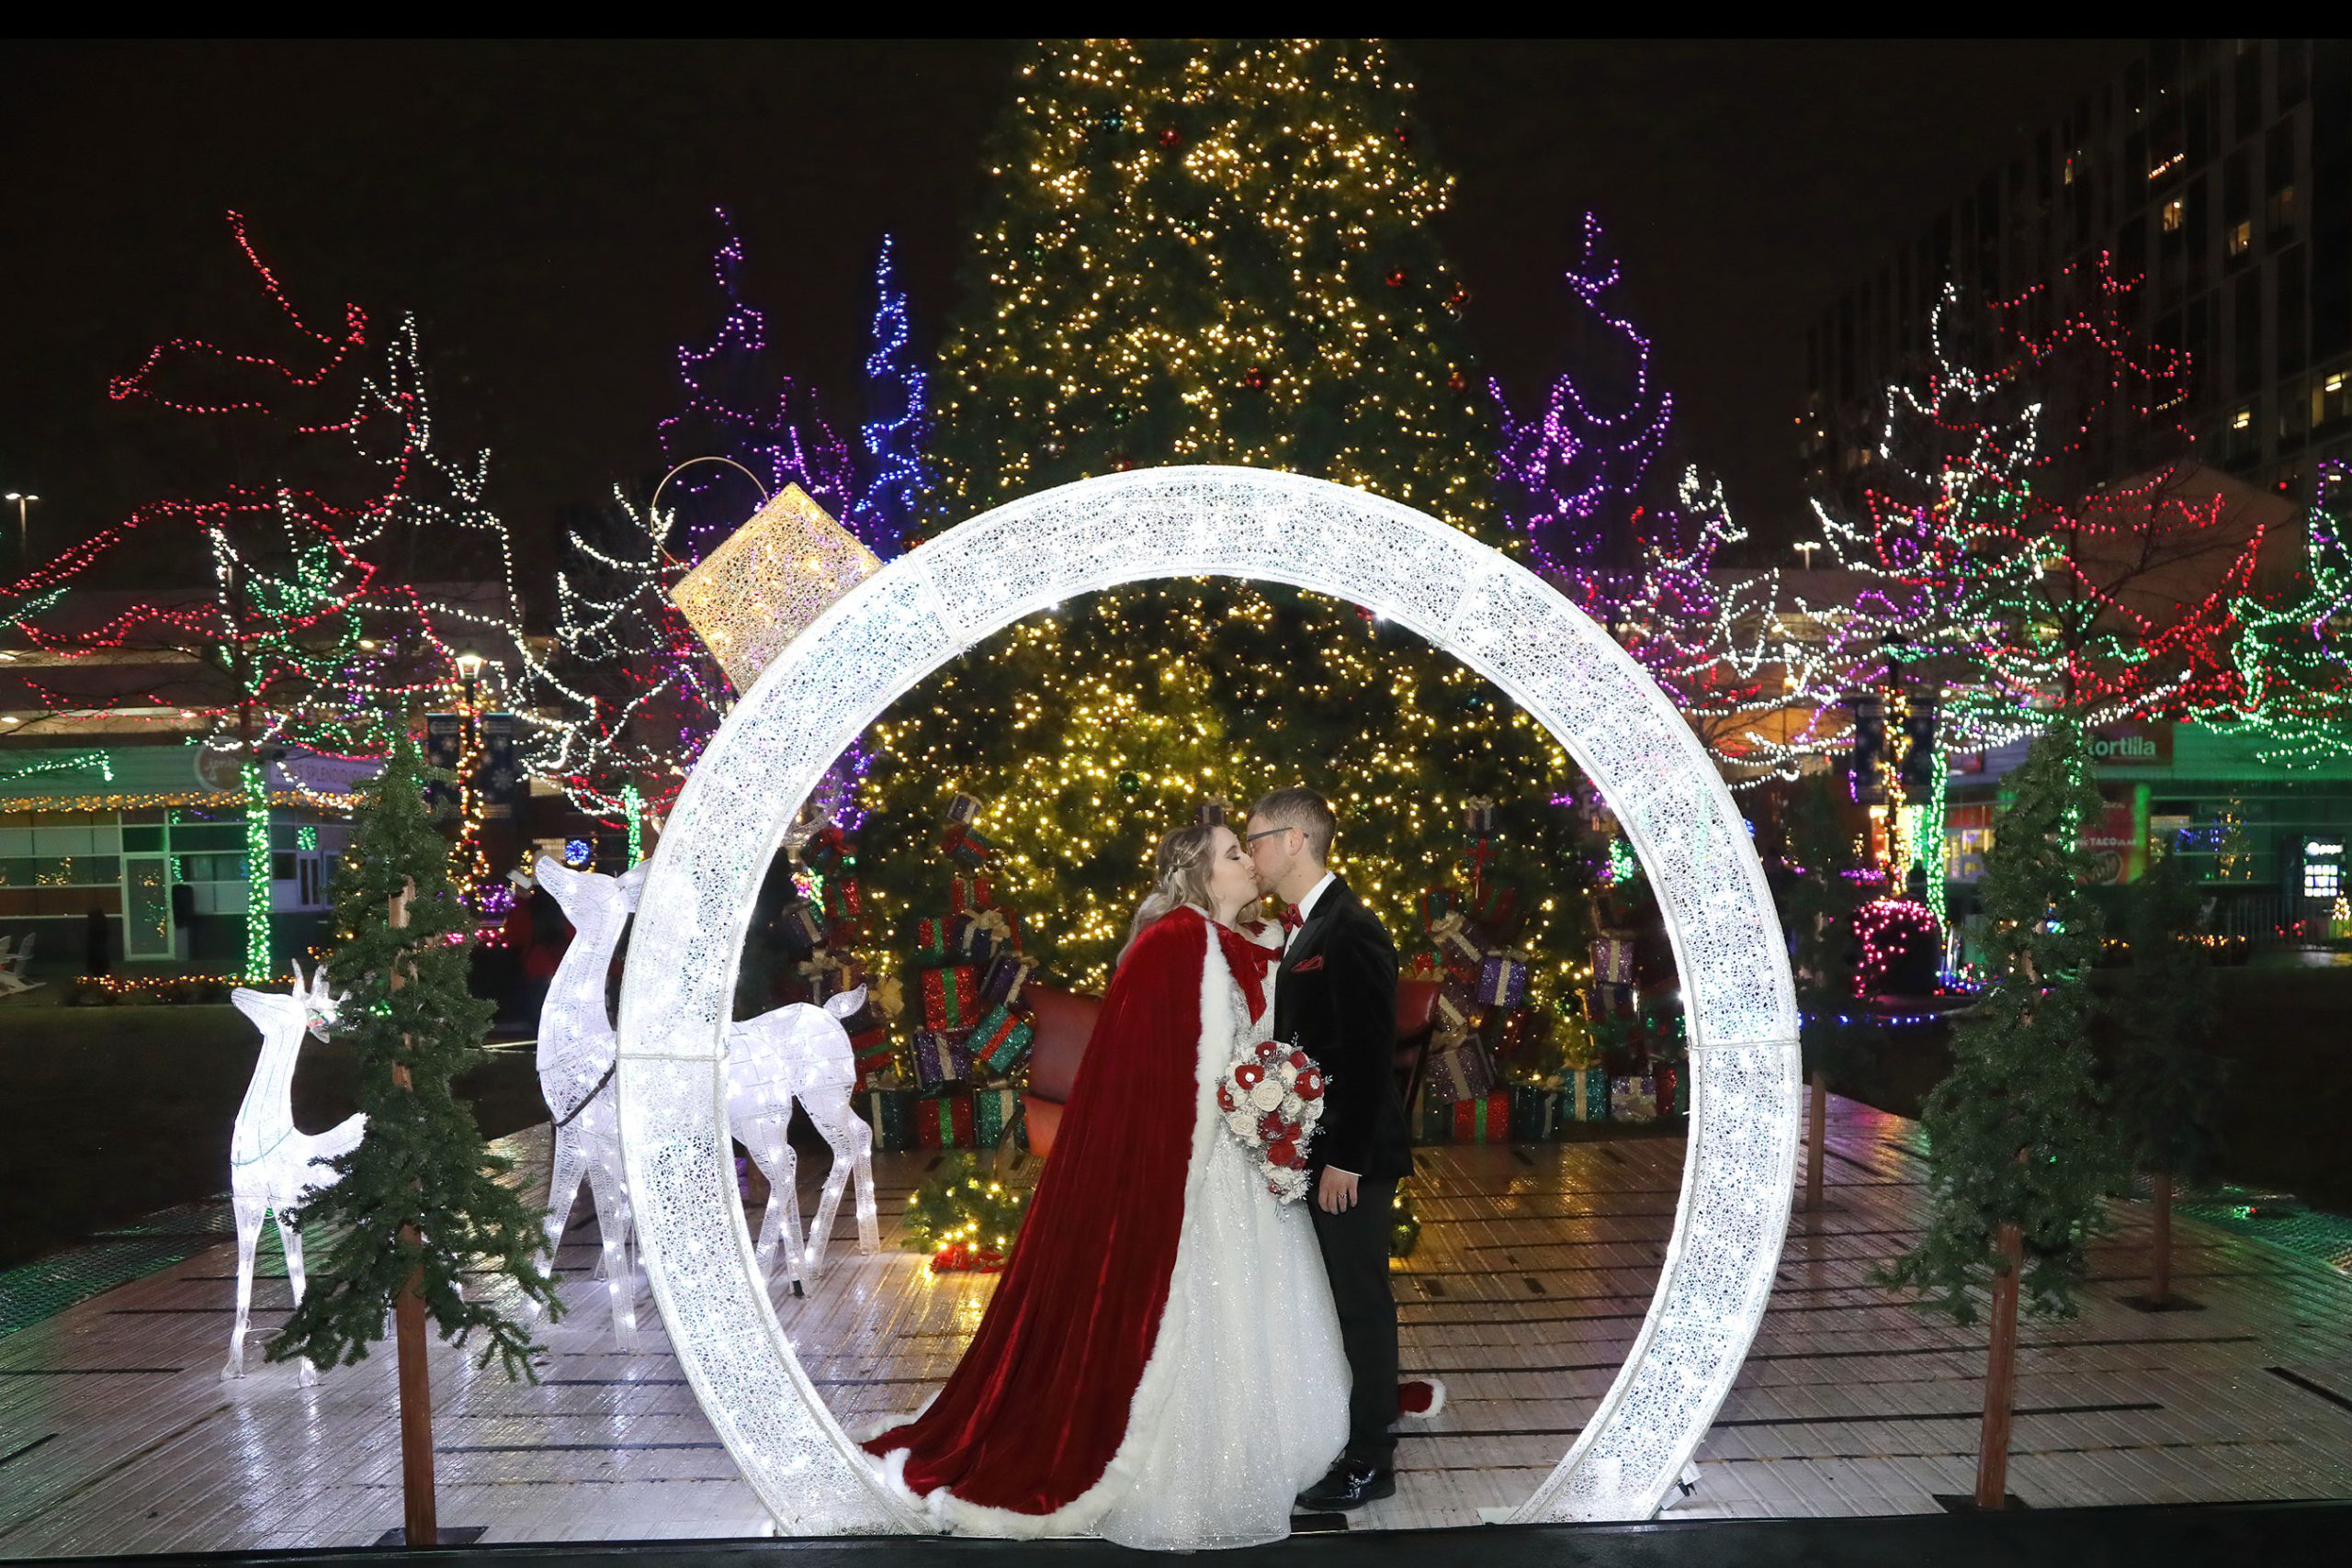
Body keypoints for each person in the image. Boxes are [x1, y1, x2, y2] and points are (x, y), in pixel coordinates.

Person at [862, 822, 1348, 1546]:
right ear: (1200, 871)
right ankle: (1189, 1468)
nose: (1248, 862)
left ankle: (1277, 1446)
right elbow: (1173, 1076)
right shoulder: (1177, 943)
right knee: (1197, 1319)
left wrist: (1270, 1099)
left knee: (1258, 1310)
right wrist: (1247, 1105)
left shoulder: (1222, 942)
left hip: (1236, 1166)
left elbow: (1233, 1051)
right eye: (1233, 853)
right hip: (1197, 1171)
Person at [1245, 786, 1410, 1511]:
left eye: (1256, 839)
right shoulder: (1309, 927)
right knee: (1342, 1300)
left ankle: (1373, 1454)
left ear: (1295, 840)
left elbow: (1374, 1055)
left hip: (1354, 1159)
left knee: (1362, 1303)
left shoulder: (1350, 929)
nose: (1251, 853)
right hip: (1325, 1153)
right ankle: (1350, 1433)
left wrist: (1345, 1155)